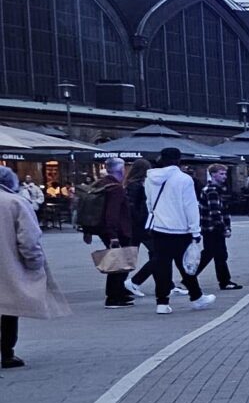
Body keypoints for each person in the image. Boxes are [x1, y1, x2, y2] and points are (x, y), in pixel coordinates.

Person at [0, 167, 70, 366]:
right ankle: (6, 352)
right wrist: (34, 263)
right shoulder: (15, 202)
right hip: (7, 265)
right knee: (7, 308)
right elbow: (29, 239)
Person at [136, 148, 206, 314]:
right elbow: (190, 206)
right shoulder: (184, 179)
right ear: (178, 160)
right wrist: (195, 230)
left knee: (162, 265)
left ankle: (162, 302)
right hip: (180, 228)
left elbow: (149, 204)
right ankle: (196, 297)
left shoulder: (150, 179)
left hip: (159, 228)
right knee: (186, 263)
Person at [78, 158, 138, 307]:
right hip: (118, 230)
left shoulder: (99, 183)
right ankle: (113, 296)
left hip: (103, 229)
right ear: (120, 170)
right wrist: (113, 236)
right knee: (118, 263)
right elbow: (112, 213)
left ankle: (118, 293)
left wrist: (88, 231)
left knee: (117, 262)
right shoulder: (116, 188)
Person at [197, 164, 239, 290]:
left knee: (217, 255)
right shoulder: (212, 190)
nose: (224, 176)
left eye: (225, 174)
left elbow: (224, 211)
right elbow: (215, 211)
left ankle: (225, 281)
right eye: (221, 174)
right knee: (212, 255)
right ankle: (189, 278)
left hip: (212, 228)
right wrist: (223, 228)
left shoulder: (218, 189)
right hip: (212, 228)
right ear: (213, 174)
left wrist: (227, 226)